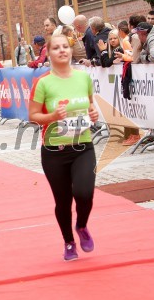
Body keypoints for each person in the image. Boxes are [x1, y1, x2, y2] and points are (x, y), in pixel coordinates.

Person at [29, 34, 99, 261]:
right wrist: (52, 116)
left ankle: (82, 225)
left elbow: (90, 105)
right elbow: (33, 116)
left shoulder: (83, 78)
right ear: (48, 53)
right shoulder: (43, 82)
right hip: (54, 151)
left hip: (83, 146)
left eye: (65, 47)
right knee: (63, 201)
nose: (62, 51)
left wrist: (93, 114)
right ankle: (69, 241)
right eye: (56, 48)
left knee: (84, 193)